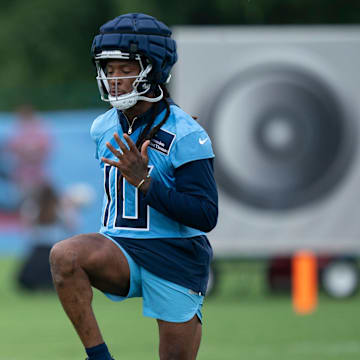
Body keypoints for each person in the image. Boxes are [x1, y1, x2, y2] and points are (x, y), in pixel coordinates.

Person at [49, 13, 218, 360]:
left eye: (123, 68)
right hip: (120, 249)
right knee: (64, 255)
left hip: (175, 256)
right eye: (107, 69)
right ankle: (99, 357)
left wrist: (145, 183)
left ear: (153, 68)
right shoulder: (103, 127)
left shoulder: (185, 134)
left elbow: (205, 214)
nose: (113, 79)